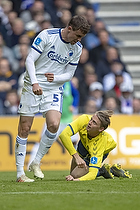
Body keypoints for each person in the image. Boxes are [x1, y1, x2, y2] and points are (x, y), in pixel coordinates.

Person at [15, 15, 90, 182]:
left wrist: (55, 78)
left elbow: (69, 74)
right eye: (77, 36)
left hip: (54, 87)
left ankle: (36, 162)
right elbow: (29, 60)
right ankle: (20, 173)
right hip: (32, 84)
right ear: (69, 28)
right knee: (25, 128)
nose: (78, 40)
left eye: (81, 38)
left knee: (54, 124)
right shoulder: (47, 36)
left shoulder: (77, 48)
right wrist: (35, 83)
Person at [59, 110, 132, 181]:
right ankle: (103, 171)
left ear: (101, 129)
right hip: (84, 143)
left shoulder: (98, 145)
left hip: (99, 149)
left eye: (94, 122)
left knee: (75, 175)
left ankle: (104, 171)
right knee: (72, 174)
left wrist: (76, 180)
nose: (90, 123)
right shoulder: (84, 119)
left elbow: (92, 174)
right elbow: (64, 135)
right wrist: (76, 156)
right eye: (91, 119)